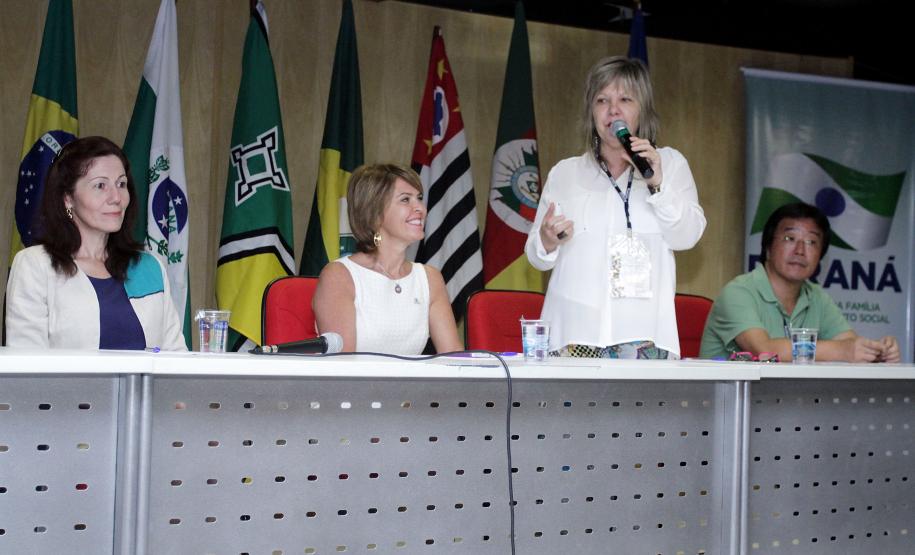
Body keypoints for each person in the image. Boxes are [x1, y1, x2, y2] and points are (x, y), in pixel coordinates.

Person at [525, 56, 706, 359]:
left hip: (646, 335)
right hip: (574, 332)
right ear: (591, 112)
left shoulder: (670, 164)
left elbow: (686, 237)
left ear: (642, 110)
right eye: (602, 100)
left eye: (625, 99)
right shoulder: (565, 173)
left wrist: (657, 183)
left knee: (643, 409)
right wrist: (545, 239)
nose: (613, 110)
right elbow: (536, 257)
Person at [6, 136, 186, 351]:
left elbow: (176, 360)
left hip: (146, 387)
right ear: (68, 199)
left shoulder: (149, 266)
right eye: (100, 185)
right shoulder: (35, 265)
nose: (116, 197)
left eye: (121, 184)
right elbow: (27, 369)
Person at [699, 202, 900, 362]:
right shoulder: (738, 292)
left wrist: (877, 351)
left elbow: (848, 342)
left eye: (812, 242)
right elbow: (765, 350)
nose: (800, 251)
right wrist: (843, 351)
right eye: (789, 238)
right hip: (724, 408)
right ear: (768, 246)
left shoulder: (816, 296)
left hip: (785, 407)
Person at [312, 163, 462, 355]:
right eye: (405, 200)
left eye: (420, 198)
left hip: (414, 385)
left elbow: (454, 357)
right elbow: (343, 367)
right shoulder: (339, 276)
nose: (420, 209)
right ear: (374, 213)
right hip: (358, 384)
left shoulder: (430, 278)